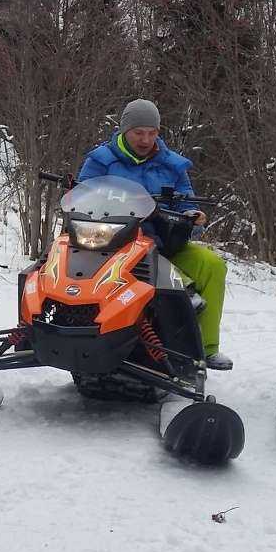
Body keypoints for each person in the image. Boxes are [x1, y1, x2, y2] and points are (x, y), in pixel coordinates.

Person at [78, 99, 232, 370]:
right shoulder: (101, 161)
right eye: (139, 132)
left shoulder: (172, 165)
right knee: (141, 253)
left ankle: (205, 349)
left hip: (164, 241)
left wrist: (194, 217)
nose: (146, 139)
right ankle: (181, 290)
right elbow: (80, 198)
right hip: (111, 243)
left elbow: (187, 203)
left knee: (212, 265)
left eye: (152, 133)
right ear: (125, 130)